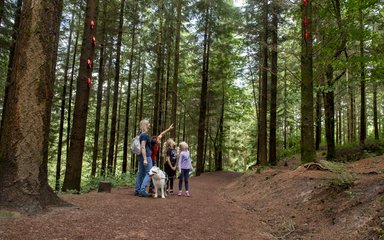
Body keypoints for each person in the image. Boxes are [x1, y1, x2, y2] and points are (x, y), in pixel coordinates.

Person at [148, 123, 174, 194]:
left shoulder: (157, 140)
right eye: (158, 140)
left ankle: (152, 188)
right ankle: (150, 189)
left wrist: (169, 129)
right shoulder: (152, 146)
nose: (160, 140)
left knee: (154, 173)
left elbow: (162, 133)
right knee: (151, 173)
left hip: (154, 160)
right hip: (150, 160)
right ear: (156, 142)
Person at [134, 119, 153, 197]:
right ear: (145, 125)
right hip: (146, 156)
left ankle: (137, 190)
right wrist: (145, 159)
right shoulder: (144, 135)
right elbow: (142, 147)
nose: (149, 125)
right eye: (148, 124)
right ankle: (142, 190)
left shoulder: (139, 134)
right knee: (149, 173)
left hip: (140, 156)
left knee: (141, 173)